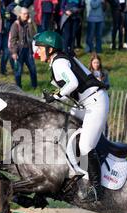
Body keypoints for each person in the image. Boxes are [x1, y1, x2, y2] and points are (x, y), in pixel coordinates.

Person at [34, 31, 109, 202]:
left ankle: (98, 190)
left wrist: (55, 96)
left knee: (85, 145)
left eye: (40, 48)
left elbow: (73, 83)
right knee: (64, 130)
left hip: (95, 104)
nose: (37, 51)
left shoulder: (59, 62)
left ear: (50, 49)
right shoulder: (58, 60)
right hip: (87, 104)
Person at [9, 7, 38, 89]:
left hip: (28, 50)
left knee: (33, 69)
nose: (26, 15)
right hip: (19, 50)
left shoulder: (30, 23)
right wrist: (14, 52)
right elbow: (13, 39)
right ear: (20, 14)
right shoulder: (15, 24)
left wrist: (30, 24)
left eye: (27, 13)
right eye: (24, 14)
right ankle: (18, 88)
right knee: (18, 71)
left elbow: (33, 35)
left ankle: (35, 86)